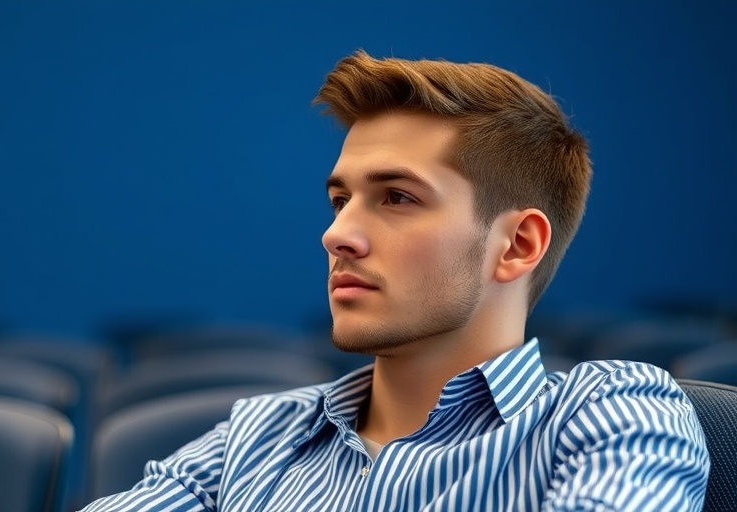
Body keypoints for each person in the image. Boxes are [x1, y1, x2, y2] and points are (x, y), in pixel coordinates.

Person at [81, 50, 709, 511]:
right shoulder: (259, 435)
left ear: (517, 245)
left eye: (398, 198)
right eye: (338, 201)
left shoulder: (613, 412)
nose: (337, 235)